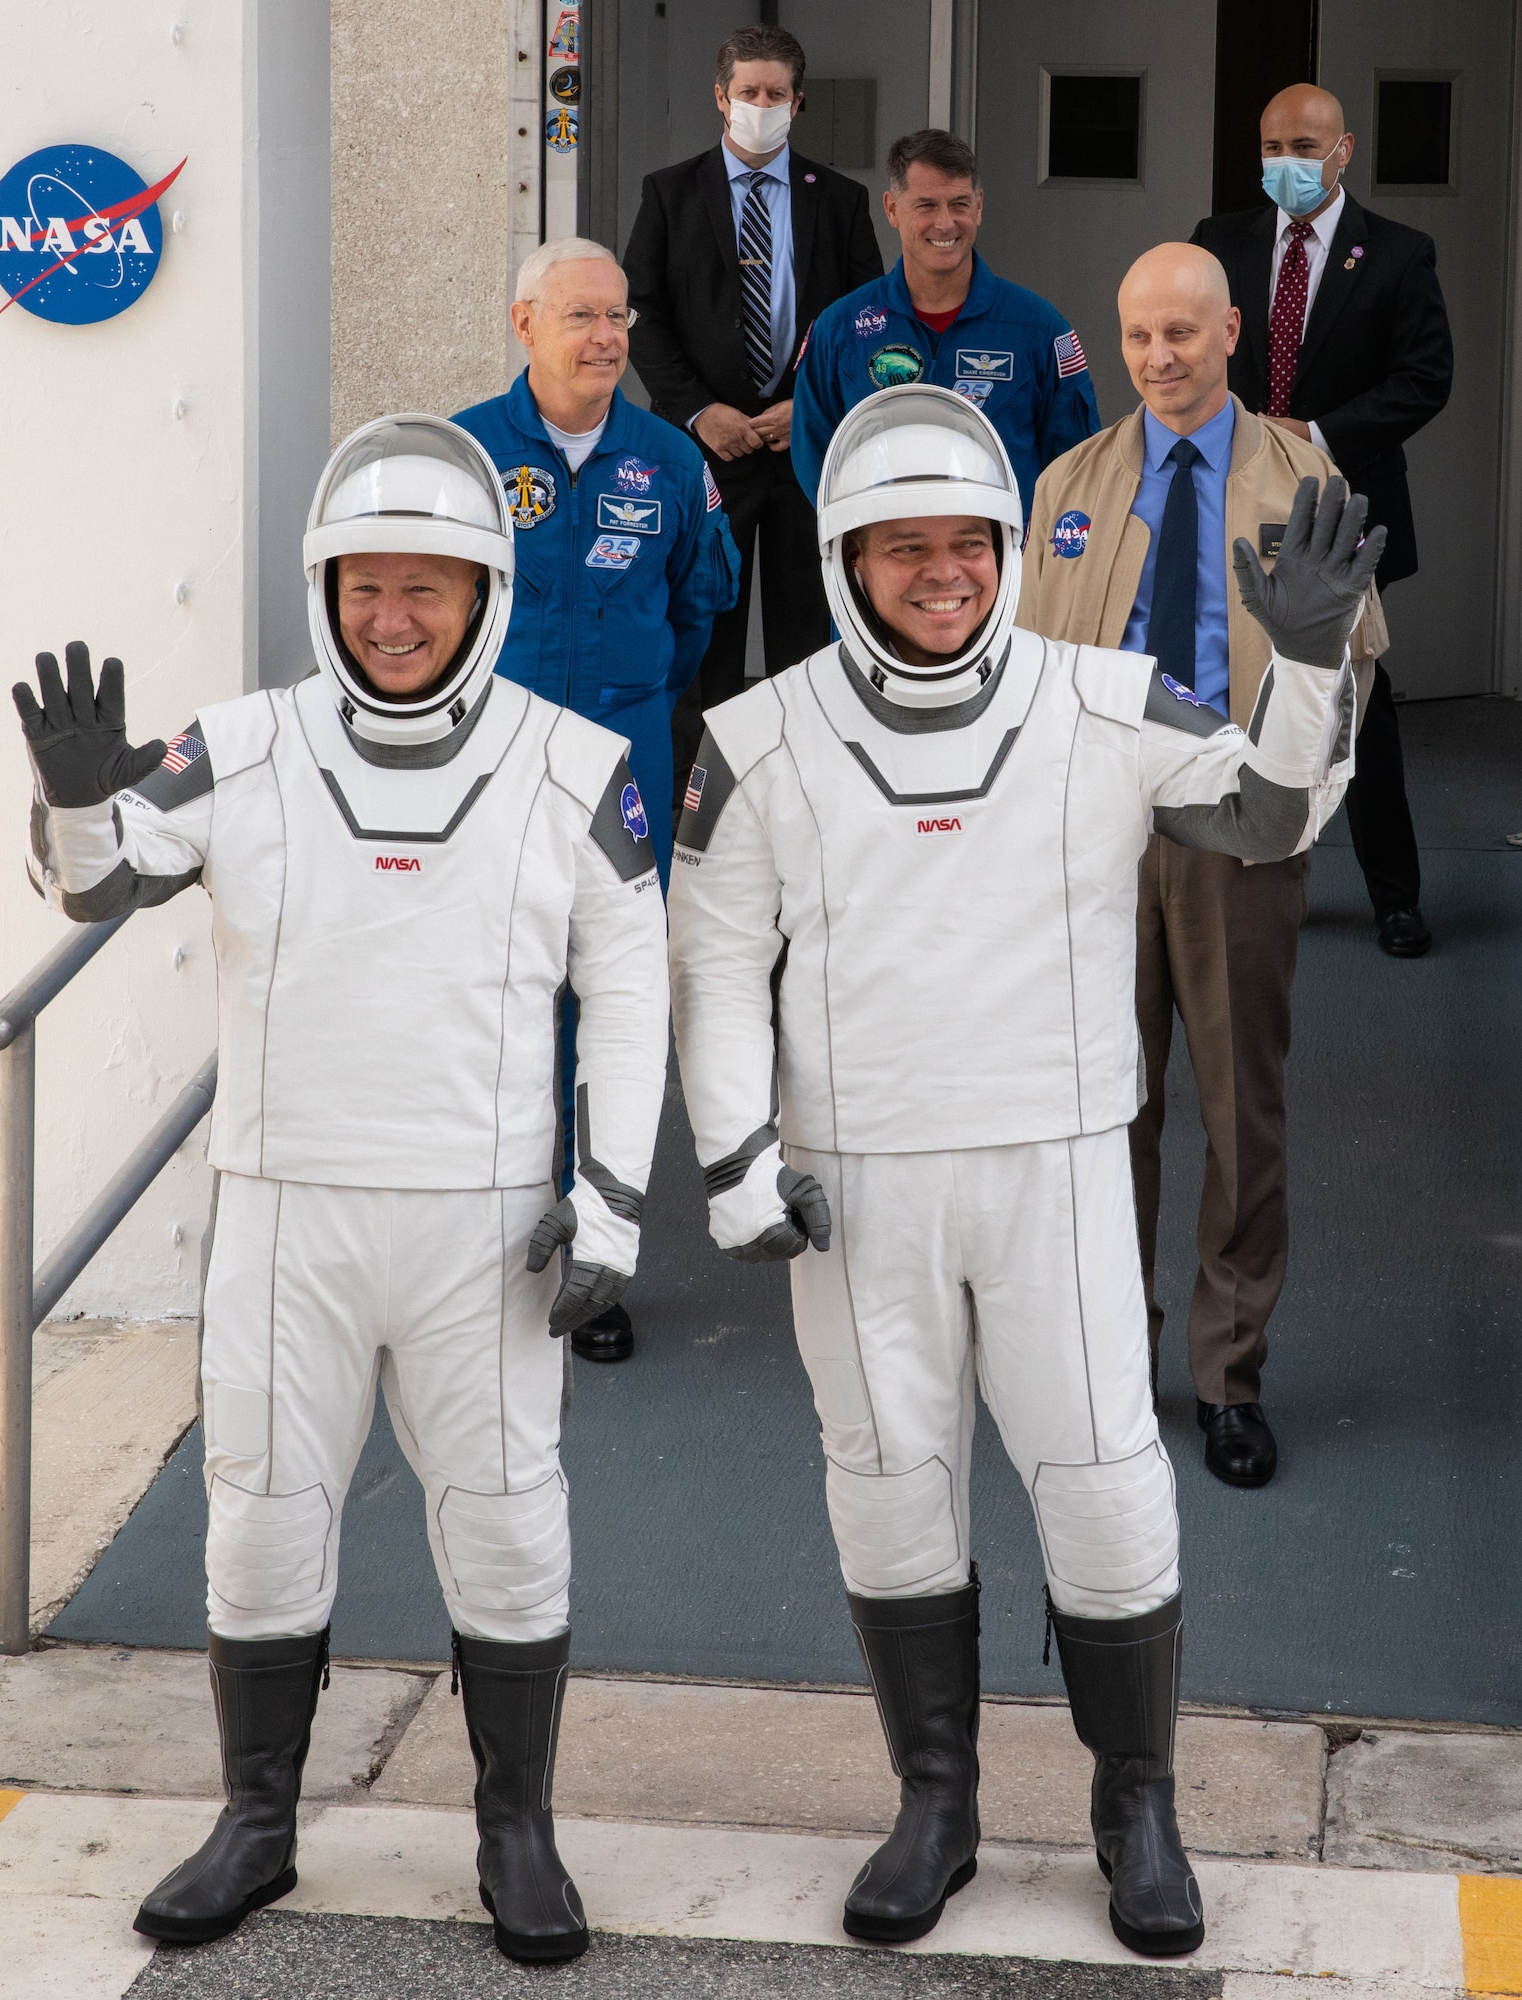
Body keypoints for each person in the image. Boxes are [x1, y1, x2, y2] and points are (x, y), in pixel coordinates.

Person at [668, 383, 1381, 1956]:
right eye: (901, 548)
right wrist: (731, 1155)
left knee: (1106, 1484)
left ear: (1007, 545)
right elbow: (712, 965)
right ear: (845, 557)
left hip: (1055, 1170)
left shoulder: (1107, 698)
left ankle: (1138, 1803)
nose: (941, 574)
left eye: (968, 544)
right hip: (855, 1189)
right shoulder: (756, 736)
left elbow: (1264, 818)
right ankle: (935, 1800)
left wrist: (1310, 665)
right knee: (886, 1486)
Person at [14, 416, 670, 1965]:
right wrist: (72, 803)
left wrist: (618, 1198)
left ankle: (517, 1834)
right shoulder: (235, 748)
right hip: (285, 1210)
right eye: (366, 585)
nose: (393, 617)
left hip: (485, 1223)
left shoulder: (574, 768)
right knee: (257, 1526)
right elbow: (96, 885)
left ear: (484, 596)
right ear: (325, 589)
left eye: (426, 589)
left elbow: (633, 981)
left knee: (509, 1526)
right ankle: (257, 1823)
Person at [1018, 244, 1386, 1490]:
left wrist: (1299, 799)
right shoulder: (1070, 480)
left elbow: (1353, 666)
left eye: (1182, 333)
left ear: (1231, 329)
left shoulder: (1303, 469)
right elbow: (1021, 676)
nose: (1159, 359)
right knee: (1102, 1113)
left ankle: (1230, 1379)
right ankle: (1114, 1363)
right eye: (1136, 338)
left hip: (1237, 831)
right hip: (1098, 842)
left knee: (1241, 1113)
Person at [460, 237, 738, 1364]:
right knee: (497, 1008)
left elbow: (698, 608)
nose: (608, 336)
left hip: (619, 778)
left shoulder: (669, 460)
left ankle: (596, 1252)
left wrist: (628, 701)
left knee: (609, 1013)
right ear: (522, 324)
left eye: (619, 315)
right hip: (490, 774)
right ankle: (487, 1243)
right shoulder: (464, 452)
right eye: (582, 315)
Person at [1191, 84, 1453, 959]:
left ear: (1343, 151)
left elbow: (1425, 377)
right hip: (1230, 497)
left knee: (1355, 703)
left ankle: (1394, 898)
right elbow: (1185, 351)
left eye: (1303, 148)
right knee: (1228, 687)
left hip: (1343, 502)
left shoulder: (1397, 253)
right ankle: (1228, 877)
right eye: (1270, 147)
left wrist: (1318, 433)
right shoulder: (1216, 242)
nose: (1285, 165)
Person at [622, 22, 884, 809]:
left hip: (802, 449)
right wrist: (698, 412)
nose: (760, 107)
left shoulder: (838, 201)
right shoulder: (669, 192)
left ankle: (806, 796)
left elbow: (867, 321)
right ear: (719, 98)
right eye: (747, 93)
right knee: (707, 630)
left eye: (775, 95)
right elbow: (643, 311)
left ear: (797, 103)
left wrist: (805, 404)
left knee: (810, 631)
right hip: (710, 455)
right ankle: (696, 801)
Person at [790, 128, 1100, 523]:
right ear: (891, 209)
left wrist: (1031, 557)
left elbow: (1075, 466)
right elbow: (815, 458)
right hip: (886, 566)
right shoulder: (840, 330)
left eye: (959, 204)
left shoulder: (1039, 329)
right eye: (926, 205)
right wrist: (863, 543)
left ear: (979, 207)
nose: (945, 223)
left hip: (1004, 569)